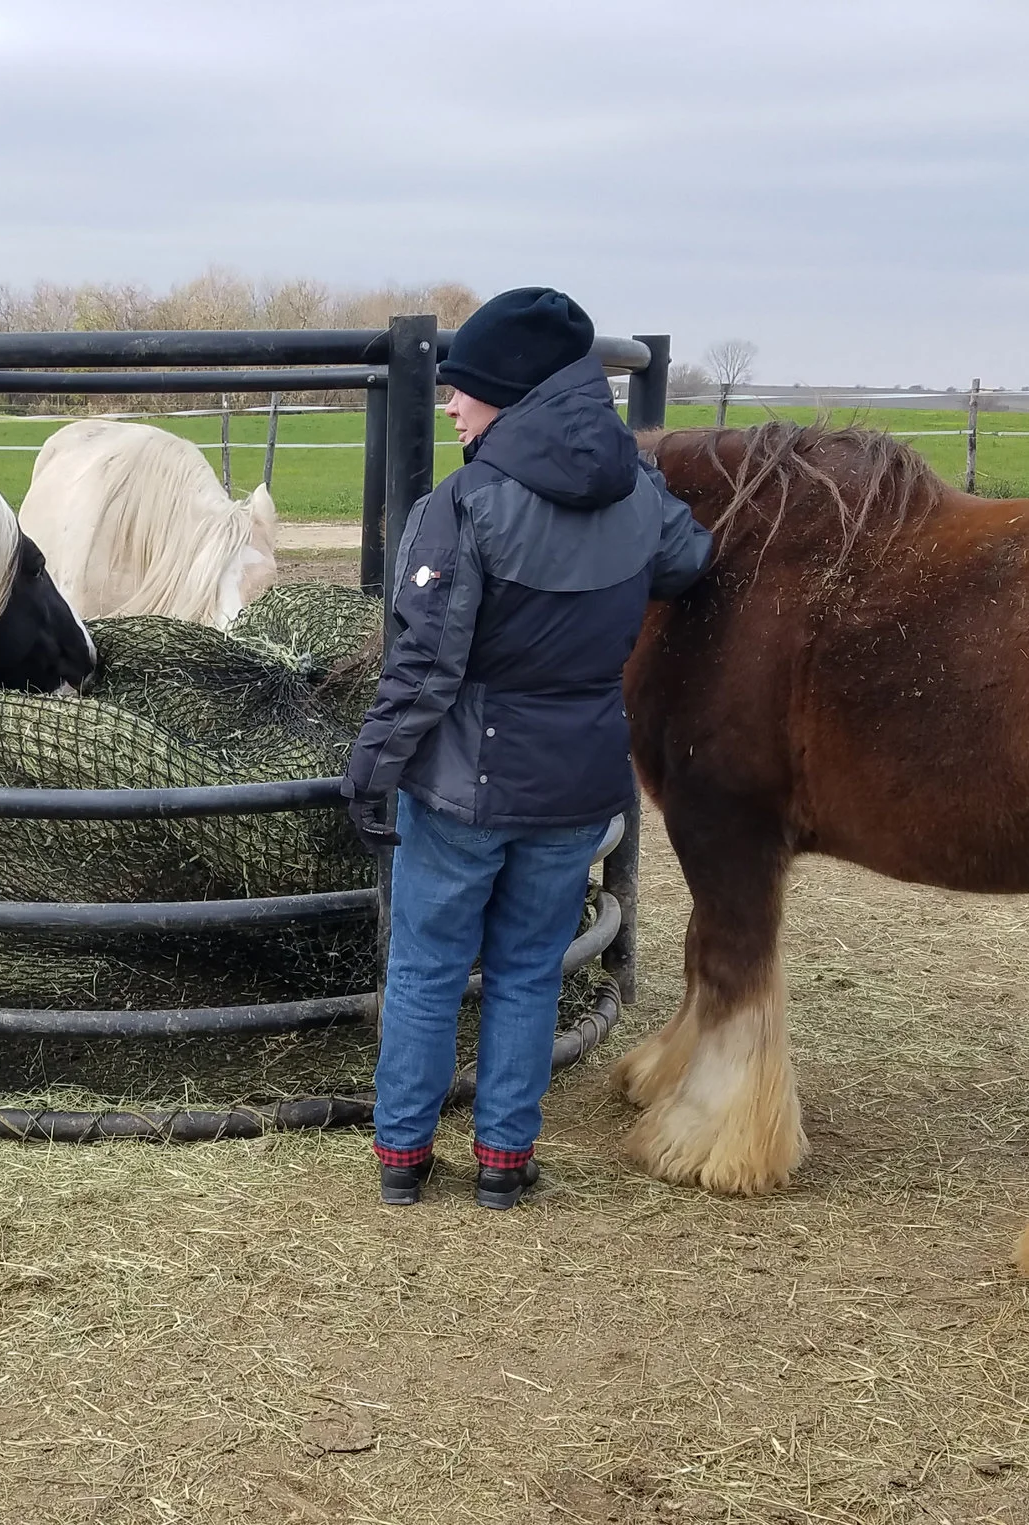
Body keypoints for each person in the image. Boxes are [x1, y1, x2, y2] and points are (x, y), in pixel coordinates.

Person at [344, 287, 713, 1209]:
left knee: (428, 967)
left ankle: (404, 1154)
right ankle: (505, 1160)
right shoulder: (635, 494)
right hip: (577, 781)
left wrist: (373, 765)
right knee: (527, 969)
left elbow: (425, 665)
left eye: (463, 389)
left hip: (467, 784)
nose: (450, 404)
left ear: (507, 392)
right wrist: (644, 485)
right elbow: (690, 560)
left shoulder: (464, 504)